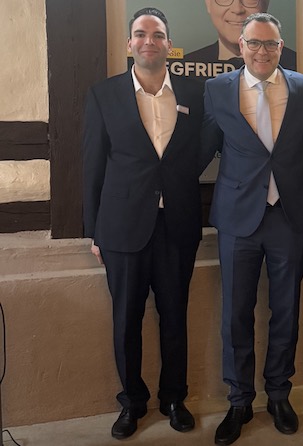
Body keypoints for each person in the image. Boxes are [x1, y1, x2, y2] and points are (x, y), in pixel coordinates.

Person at [82, 7, 204, 440]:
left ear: (169, 44)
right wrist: (93, 230)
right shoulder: (104, 94)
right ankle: (132, 402)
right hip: (121, 229)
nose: (148, 40)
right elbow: (93, 165)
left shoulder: (196, 91)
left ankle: (174, 398)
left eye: (157, 34)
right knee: (126, 319)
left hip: (178, 226)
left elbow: (202, 149)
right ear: (129, 43)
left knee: (175, 317)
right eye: (140, 34)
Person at [201, 12, 303, 446]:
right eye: (254, 43)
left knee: (285, 309)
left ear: (280, 48)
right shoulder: (217, 90)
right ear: (240, 46)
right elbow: (202, 149)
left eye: (270, 44)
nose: (262, 51)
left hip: (288, 215)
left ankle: (279, 393)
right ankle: (239, 399)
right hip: (237, 218)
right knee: (236, 313)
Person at [185, 0, 297, 71]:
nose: (237, 9)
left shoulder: (297, 64)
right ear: (208, 4)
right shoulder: (183, 67)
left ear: (265, 4)